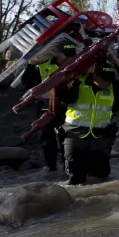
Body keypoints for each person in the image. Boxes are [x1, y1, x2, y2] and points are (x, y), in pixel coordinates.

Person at [56, 51, 119, 185]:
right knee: (75, 178)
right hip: (75, 136)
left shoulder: (113, 88)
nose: (106, 83)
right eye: (104, 79)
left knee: (101, 177)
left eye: (109, 79)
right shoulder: (78, 84)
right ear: (94, 75)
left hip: (100, 139)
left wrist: (114, 60)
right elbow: (62, 94)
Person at [21, 40, 78, 172]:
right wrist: (31, 65)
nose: (69, 58)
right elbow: (26, 83)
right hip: (46, 107)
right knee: (47, 138)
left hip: (67, 106)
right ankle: (51, 167)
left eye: (72, 54)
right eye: (66, 54)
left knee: (67, 137)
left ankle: (67, 167)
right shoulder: (44, 66)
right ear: (57, 52)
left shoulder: (75, 66)